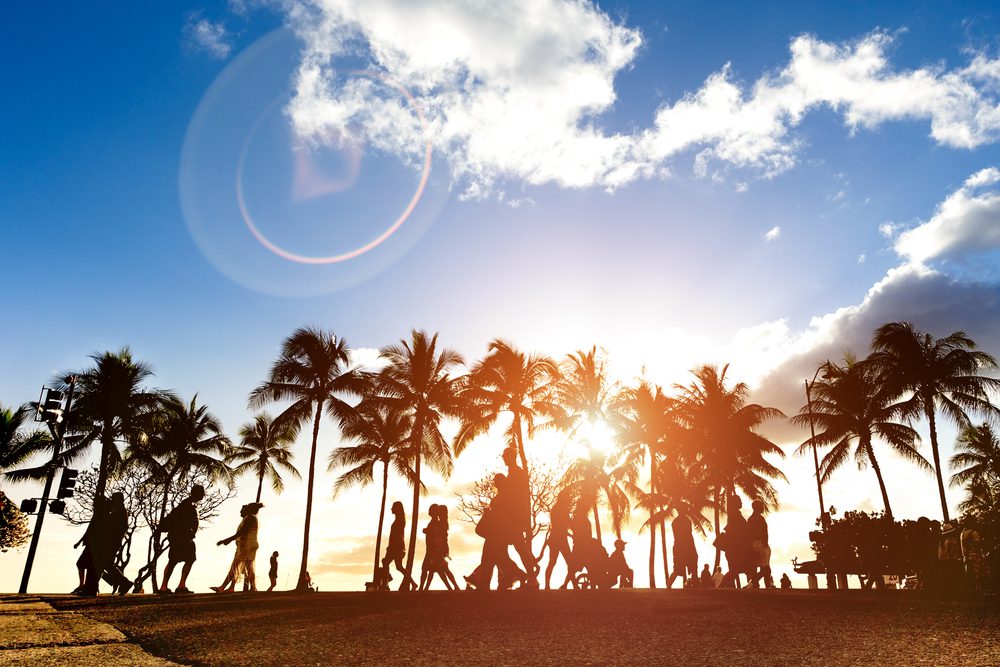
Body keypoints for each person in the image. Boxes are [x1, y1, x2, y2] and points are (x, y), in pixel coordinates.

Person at [158, 484, 205, 594]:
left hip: (179, 537)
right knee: (186, 559)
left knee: (175, 560)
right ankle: (178, 586)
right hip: (182, 538)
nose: (203, 495)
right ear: (196, 493)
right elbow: (181, 521)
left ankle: (167, 586)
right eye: (201, 493)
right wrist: (188, 533)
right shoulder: (187, 505)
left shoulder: (188, 504)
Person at [212, 503, 263, 593]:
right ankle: (253, 587)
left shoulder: (250, 518)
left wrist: (228, 540)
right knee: (249, 567)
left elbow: (242, 532)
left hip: (247, 545)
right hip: (249, 545)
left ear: (249, 509)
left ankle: (222, 587)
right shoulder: (250, 518)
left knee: (235, 566)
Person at [383, 501, 416, 591]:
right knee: (397, 566)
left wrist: (392, 547)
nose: (391, 509)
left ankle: (386, 581)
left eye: (393, 507)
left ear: (396, 509)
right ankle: (413, 583)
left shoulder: (400, 521)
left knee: (387, 563)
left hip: (396, 547)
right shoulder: (399, 520)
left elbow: (397, 536)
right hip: (395, 547)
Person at [544, 492, 574, 590]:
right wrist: (574, 532)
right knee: (570, 562)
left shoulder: (556, 508)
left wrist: (570, 534)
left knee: (552, 562)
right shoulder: (562, 509)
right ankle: (572, 585)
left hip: (555, 538)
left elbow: (561, 525)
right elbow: (567, 524)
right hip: (560, 539)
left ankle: (547, 585)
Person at [667, 514, 698, 588]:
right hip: (685, 548)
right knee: (680, 569)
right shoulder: (685, 521)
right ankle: (668, 585)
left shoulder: (675, 522)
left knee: (678, 569)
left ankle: (669, 586)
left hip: (680, 547)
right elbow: (689, 535)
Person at [747, 500, 772, 588]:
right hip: (760, 544)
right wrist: (764, 544)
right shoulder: (759, 519)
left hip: (755, 544)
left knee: (763, 568)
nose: (763, 508)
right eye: (761, 506)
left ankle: (757, 583)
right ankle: (755, 582)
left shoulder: (750, 519)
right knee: (766, 569)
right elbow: (764, 532)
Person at [960, 517, 985, 592]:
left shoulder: (962, 533)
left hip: (966, 557)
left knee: (970, 575)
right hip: (975, 556)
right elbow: (977, 545)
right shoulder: (974, 533)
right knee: (978, 575)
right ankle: (978, 590)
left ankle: (971, 592)